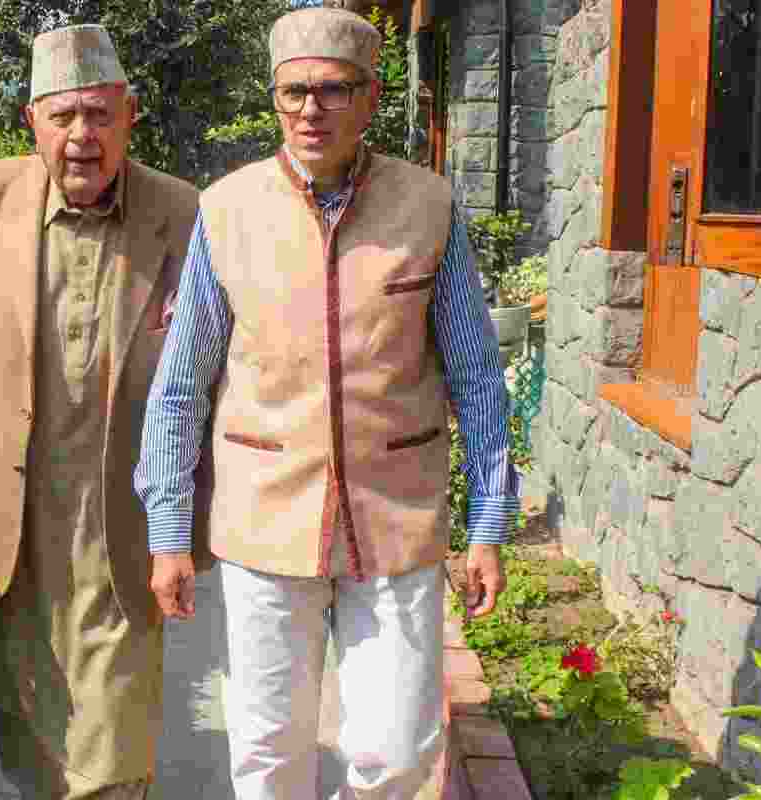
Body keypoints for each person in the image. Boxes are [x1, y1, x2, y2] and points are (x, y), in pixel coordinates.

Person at [134, 6, 519, 799]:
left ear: (371, 97)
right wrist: (168, 531)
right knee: (268, 752)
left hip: (395, 515)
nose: (311, 109)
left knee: (400, 752)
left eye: (334, 90)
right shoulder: (227, 210)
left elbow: (478, 376)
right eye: (294, 91)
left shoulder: (428, 206)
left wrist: (488, 523)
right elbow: (180, 386)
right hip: (265, 518)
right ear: (275, 99)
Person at [0, 23, 200, 800]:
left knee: (113, 751)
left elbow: (213, 369)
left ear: (130, 115)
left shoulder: (182, 213)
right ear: (32, 122)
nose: (82, 135)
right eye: (63, 116)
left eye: (100, 115)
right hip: (4, 523)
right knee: (28, 746)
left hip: (120, 526)